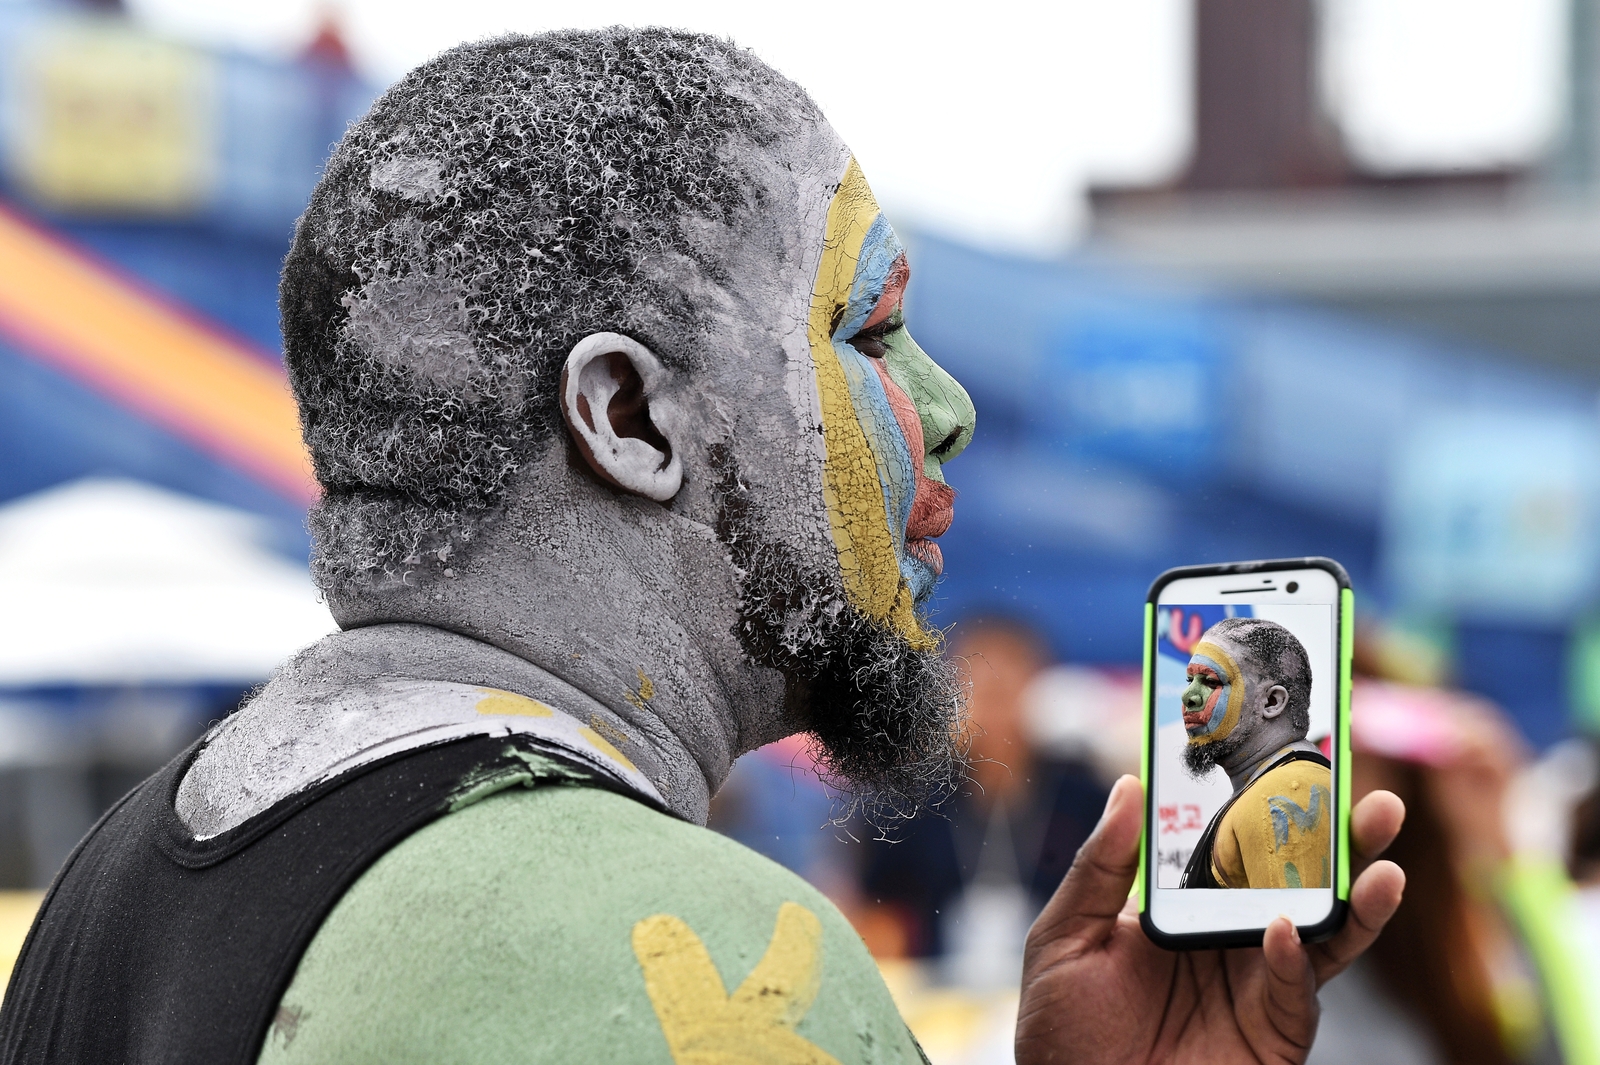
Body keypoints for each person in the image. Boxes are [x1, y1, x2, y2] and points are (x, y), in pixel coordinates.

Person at [0, 29, 1405, 1065]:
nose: (950, 408)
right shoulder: (706, 961)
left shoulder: (111, 888)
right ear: (626, 417)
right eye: (870, 332)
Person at [1180, 618, 1332, 889]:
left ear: (1272, 702)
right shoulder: (1265, 785)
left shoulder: (1288, 790)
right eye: (1190, 680)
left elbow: (1290, 917)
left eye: (1211, 682)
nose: (1188, 696)